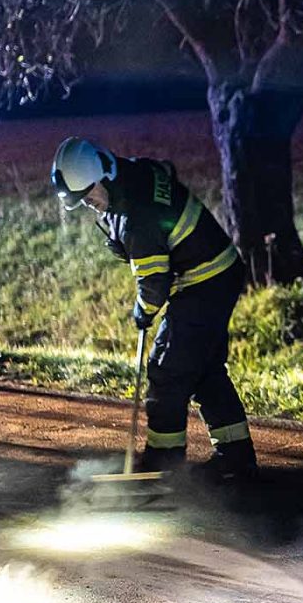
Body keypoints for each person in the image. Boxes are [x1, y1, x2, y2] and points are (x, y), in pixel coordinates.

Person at [50, 137, 257, 480]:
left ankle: (164, 463)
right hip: (219, 271)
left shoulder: (136, 218)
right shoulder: (130, 171)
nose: (91, 206)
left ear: (102, 176)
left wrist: (143, 312)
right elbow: (164, 172)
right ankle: (236, 457)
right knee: (203, 369)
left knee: (167, 369)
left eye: (89, 197)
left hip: (202, 282)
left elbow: (153, 283)